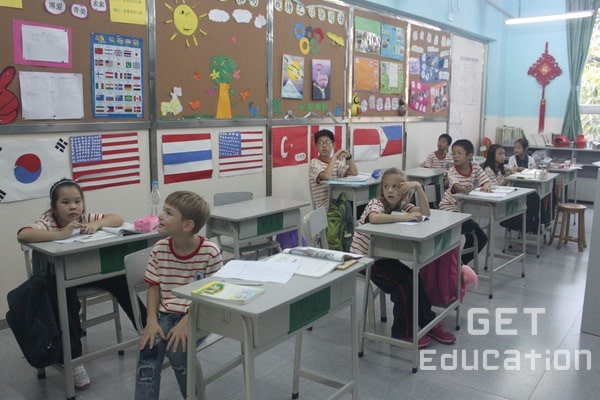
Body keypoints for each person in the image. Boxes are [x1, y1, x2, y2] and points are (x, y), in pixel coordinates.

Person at [17, 178, 141, 390]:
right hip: (57, 277)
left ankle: (148, 331)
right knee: (66, 300)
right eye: (65, 202)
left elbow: (117, 218)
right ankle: (74, 360)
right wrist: (59, 234)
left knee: (122, 279)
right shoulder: (48, 221)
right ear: (54, 206)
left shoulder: (85, 217)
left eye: (77, 201)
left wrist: (96, 224)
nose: (73, 207)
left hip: (88, 272)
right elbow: (23, 234)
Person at [350, 168, 456, 347]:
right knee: (403, 284)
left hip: (384, 257)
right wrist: (404, 218)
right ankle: (402, 333)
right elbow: (374, 218)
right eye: (386, 187)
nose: (390, 191)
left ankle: (427, 323)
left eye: (396, 187)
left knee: (415, 278)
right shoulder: (377, 203)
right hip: (366, 260)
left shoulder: (402, 205)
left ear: (404, 189)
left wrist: (418, 187)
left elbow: (425, 213)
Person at [135, 191, 222, 400]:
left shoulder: (210, 252)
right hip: (166, 314)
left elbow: (212, 295)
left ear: (187, 225)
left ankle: (193, 396)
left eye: (168, 212)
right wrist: (151, 320)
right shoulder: (159, 249)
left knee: (177, 350)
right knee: (149, 348)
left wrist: (187, 322)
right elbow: (153, 288)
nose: (160, 215)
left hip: (200, 313)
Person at [439, 139, 491, 265]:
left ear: (469, 156)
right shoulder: (452, 170)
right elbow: (455, 185)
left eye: (459, 153)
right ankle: (454, 264)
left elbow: (485, 180)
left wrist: (486, 186)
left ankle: (459, 264)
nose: (455, 156)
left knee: (482, 238)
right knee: (470, 229)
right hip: (449, 208)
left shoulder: (475, 167)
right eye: (453, 153)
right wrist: (463, 189)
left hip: (465, 210)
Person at [309, 129, 358, 210]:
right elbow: (327, 176)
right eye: (320, 143)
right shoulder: (314, 163)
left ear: (333, 145)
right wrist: (335, 156)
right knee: (353, 208)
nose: (324, 146)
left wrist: (349, 157)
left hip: (338, 203)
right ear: (316, 147)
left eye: (327, 142)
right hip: (324, 207)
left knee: (359, 205)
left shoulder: (336, 162)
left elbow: (354, 172)